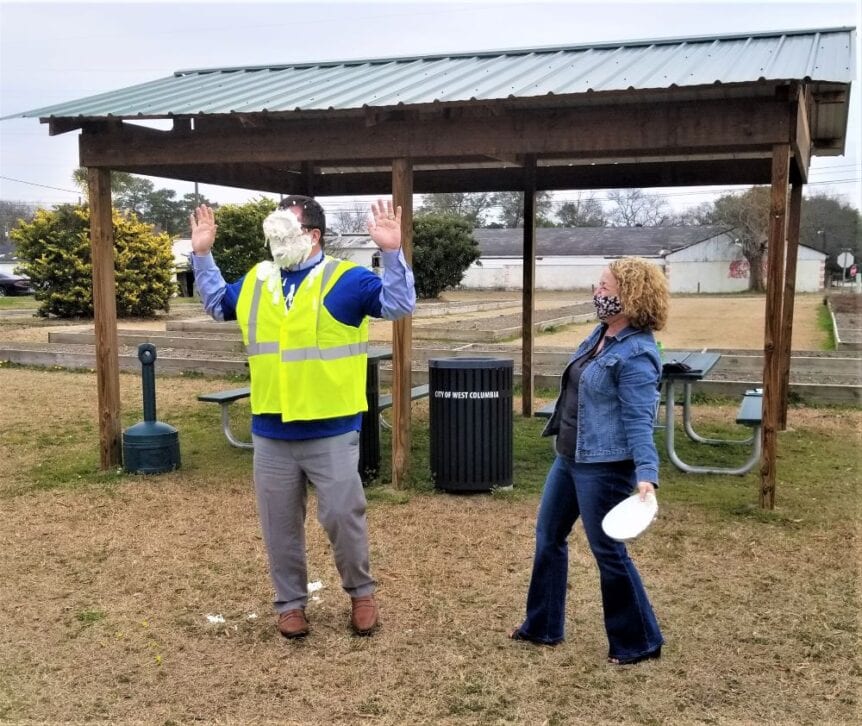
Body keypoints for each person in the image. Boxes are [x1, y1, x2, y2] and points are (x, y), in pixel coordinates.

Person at [189, 196, 416, 638]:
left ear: (313, 236)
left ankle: (361, 593)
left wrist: (391, 251)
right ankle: (290, 605)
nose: (276, 242)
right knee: (279, 525)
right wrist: (202, 254)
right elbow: (218, 304)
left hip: (331, 428)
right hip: (271, 431)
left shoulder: (345, 279)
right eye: (271, 233)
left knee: (342, 517)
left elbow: (399, 304)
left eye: (286, 233)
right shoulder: (258, 279)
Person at [509, 257, 667, 665]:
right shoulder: (598, 335)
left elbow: (640, 421)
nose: (597, 294)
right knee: (548, 538)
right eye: (598, 286)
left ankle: (640, 641)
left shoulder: (637, 354)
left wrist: (646, 474)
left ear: (630, 296)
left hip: (605, 466)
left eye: (605, 288)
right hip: (569, 456)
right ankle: (542, 626)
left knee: (608, 553)